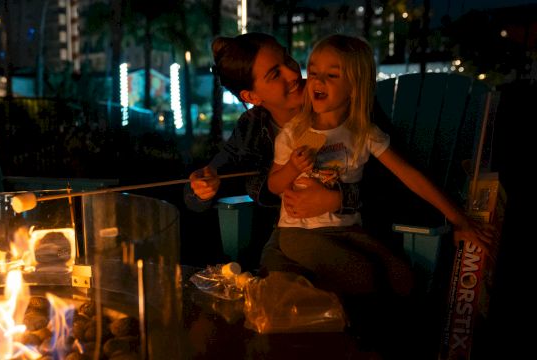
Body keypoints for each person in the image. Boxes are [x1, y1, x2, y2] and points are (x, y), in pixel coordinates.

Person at [267, 33, 493, 298]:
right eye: (314, 71)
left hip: (349, 229)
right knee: (363, 275)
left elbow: (410, 175)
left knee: (403, 278)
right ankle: (343, 325)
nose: (317, 80)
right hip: (299, 232)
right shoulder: (294, 132)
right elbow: (274, 185)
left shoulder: (363, 132)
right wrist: (292, 168)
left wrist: (459, 219)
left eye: (332, 75)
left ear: (355, 86)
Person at [184, 32, 359, 268]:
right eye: (275, 74)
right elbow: (201, 188)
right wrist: (201, 189)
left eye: (287, 59)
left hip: (348, 231)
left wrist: (338, 198)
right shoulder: (251, 129)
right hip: (288, 238)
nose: (293, 73)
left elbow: (391, 182)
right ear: (251, 96)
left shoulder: (339, 99)